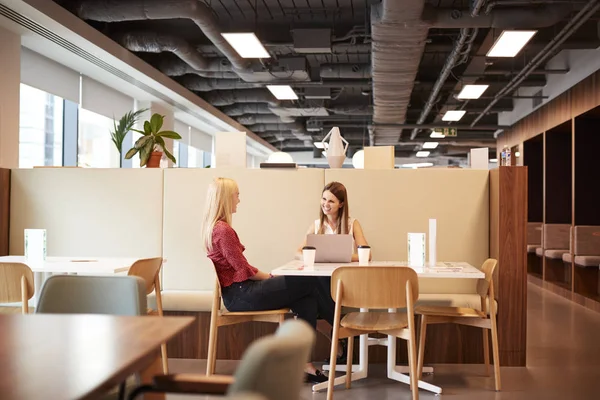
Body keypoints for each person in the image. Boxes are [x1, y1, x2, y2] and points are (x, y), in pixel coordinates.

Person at [201, 177, 334, 383]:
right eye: (236, 195)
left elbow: (243, 268)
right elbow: (244, 269)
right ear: (226, 198)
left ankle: (304, 365)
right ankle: (337, 327)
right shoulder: (223, 231)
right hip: (241, 295)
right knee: (308, 281)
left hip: (242, 291)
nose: (239, 200)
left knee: (306, 300)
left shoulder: (217, 228)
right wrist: (273, 276)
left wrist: (272, 277)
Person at [297, 181, 371, 364]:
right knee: (310, 298)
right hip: (322, 279)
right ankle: (340, 336)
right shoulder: (316, 225)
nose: (325, 204)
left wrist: (343, 257)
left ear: (341, 204)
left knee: (310, 300)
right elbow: (297, 251)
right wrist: (312, 256)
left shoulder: (352, 224)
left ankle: (339, 338)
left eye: (331, 201)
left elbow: (367, 253)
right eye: (323, 199)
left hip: (344, 280)